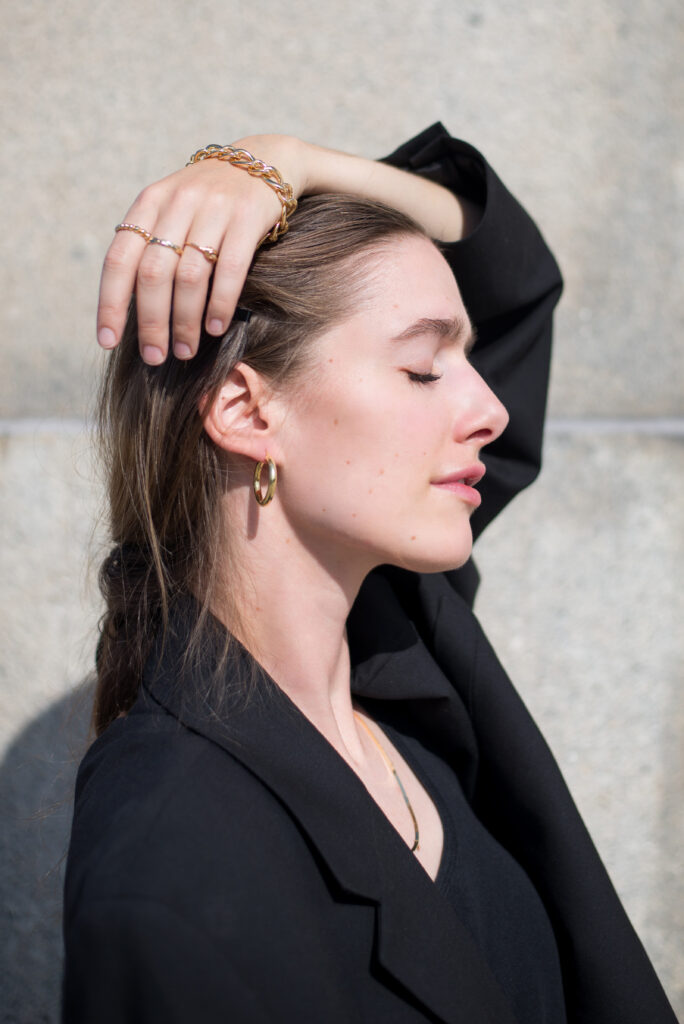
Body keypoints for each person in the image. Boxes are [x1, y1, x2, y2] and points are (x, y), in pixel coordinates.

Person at [62, 124, 677, 1023]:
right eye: (424, 368)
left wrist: (285, 163)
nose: (491, 409)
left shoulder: (403, 648)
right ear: (245, 409)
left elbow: (508, 271)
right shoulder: (170, 862)